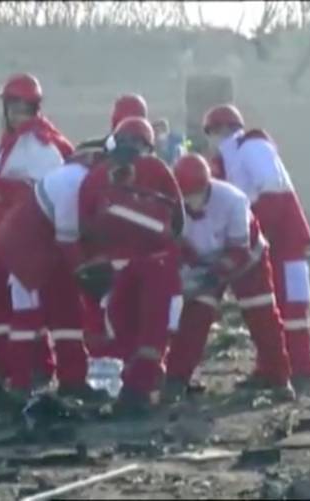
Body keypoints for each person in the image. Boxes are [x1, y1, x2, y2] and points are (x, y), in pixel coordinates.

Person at [0, 73, 73, 407]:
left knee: (25, 309)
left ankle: (32, 370)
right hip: (2, 238)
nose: (17, 114)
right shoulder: (11, 143)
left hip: (24, 241)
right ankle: (3, 368)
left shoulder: (41, 145)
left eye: (24, 108)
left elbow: (40, 191)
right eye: (13, 107)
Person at [202, 104, 310, 396]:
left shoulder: (251, 147)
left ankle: (300, 369)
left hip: (284, 241)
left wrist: (256, 233)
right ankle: (272, 367)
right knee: (269, 307)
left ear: (219, 130)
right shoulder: (234, 155)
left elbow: (272, 191)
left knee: (291, 308)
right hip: (273, 239)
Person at [164, 154, 295, 403]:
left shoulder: (233, 199)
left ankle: (278, 377)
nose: (191, 202)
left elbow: (239, 248)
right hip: (203, 262)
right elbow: (176, 243)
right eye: (185, 196)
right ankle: (176, 379)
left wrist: (216, 274)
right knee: (194, 319)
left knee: (262, 316)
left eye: (195, 194)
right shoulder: (172, 205)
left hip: (248, 261)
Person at [78, 117, 185, 415]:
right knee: (152, 332)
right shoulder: (159, 169)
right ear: (148, 144)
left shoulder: (97, 174)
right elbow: (178, 220)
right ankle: (144, 388)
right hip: (157, 265)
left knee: (121, 330)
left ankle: (129, 386)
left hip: (114, 270)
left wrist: (91, 263)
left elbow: (83, 224)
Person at [0, 139, 109, 402]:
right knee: (27, 316)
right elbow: (68, 237)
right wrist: (84, 272)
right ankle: (20, 383)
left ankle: (72, 380)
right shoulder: (73, 183)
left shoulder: (80, 180)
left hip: (47, 247)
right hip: (26, 249)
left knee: (68, 314)